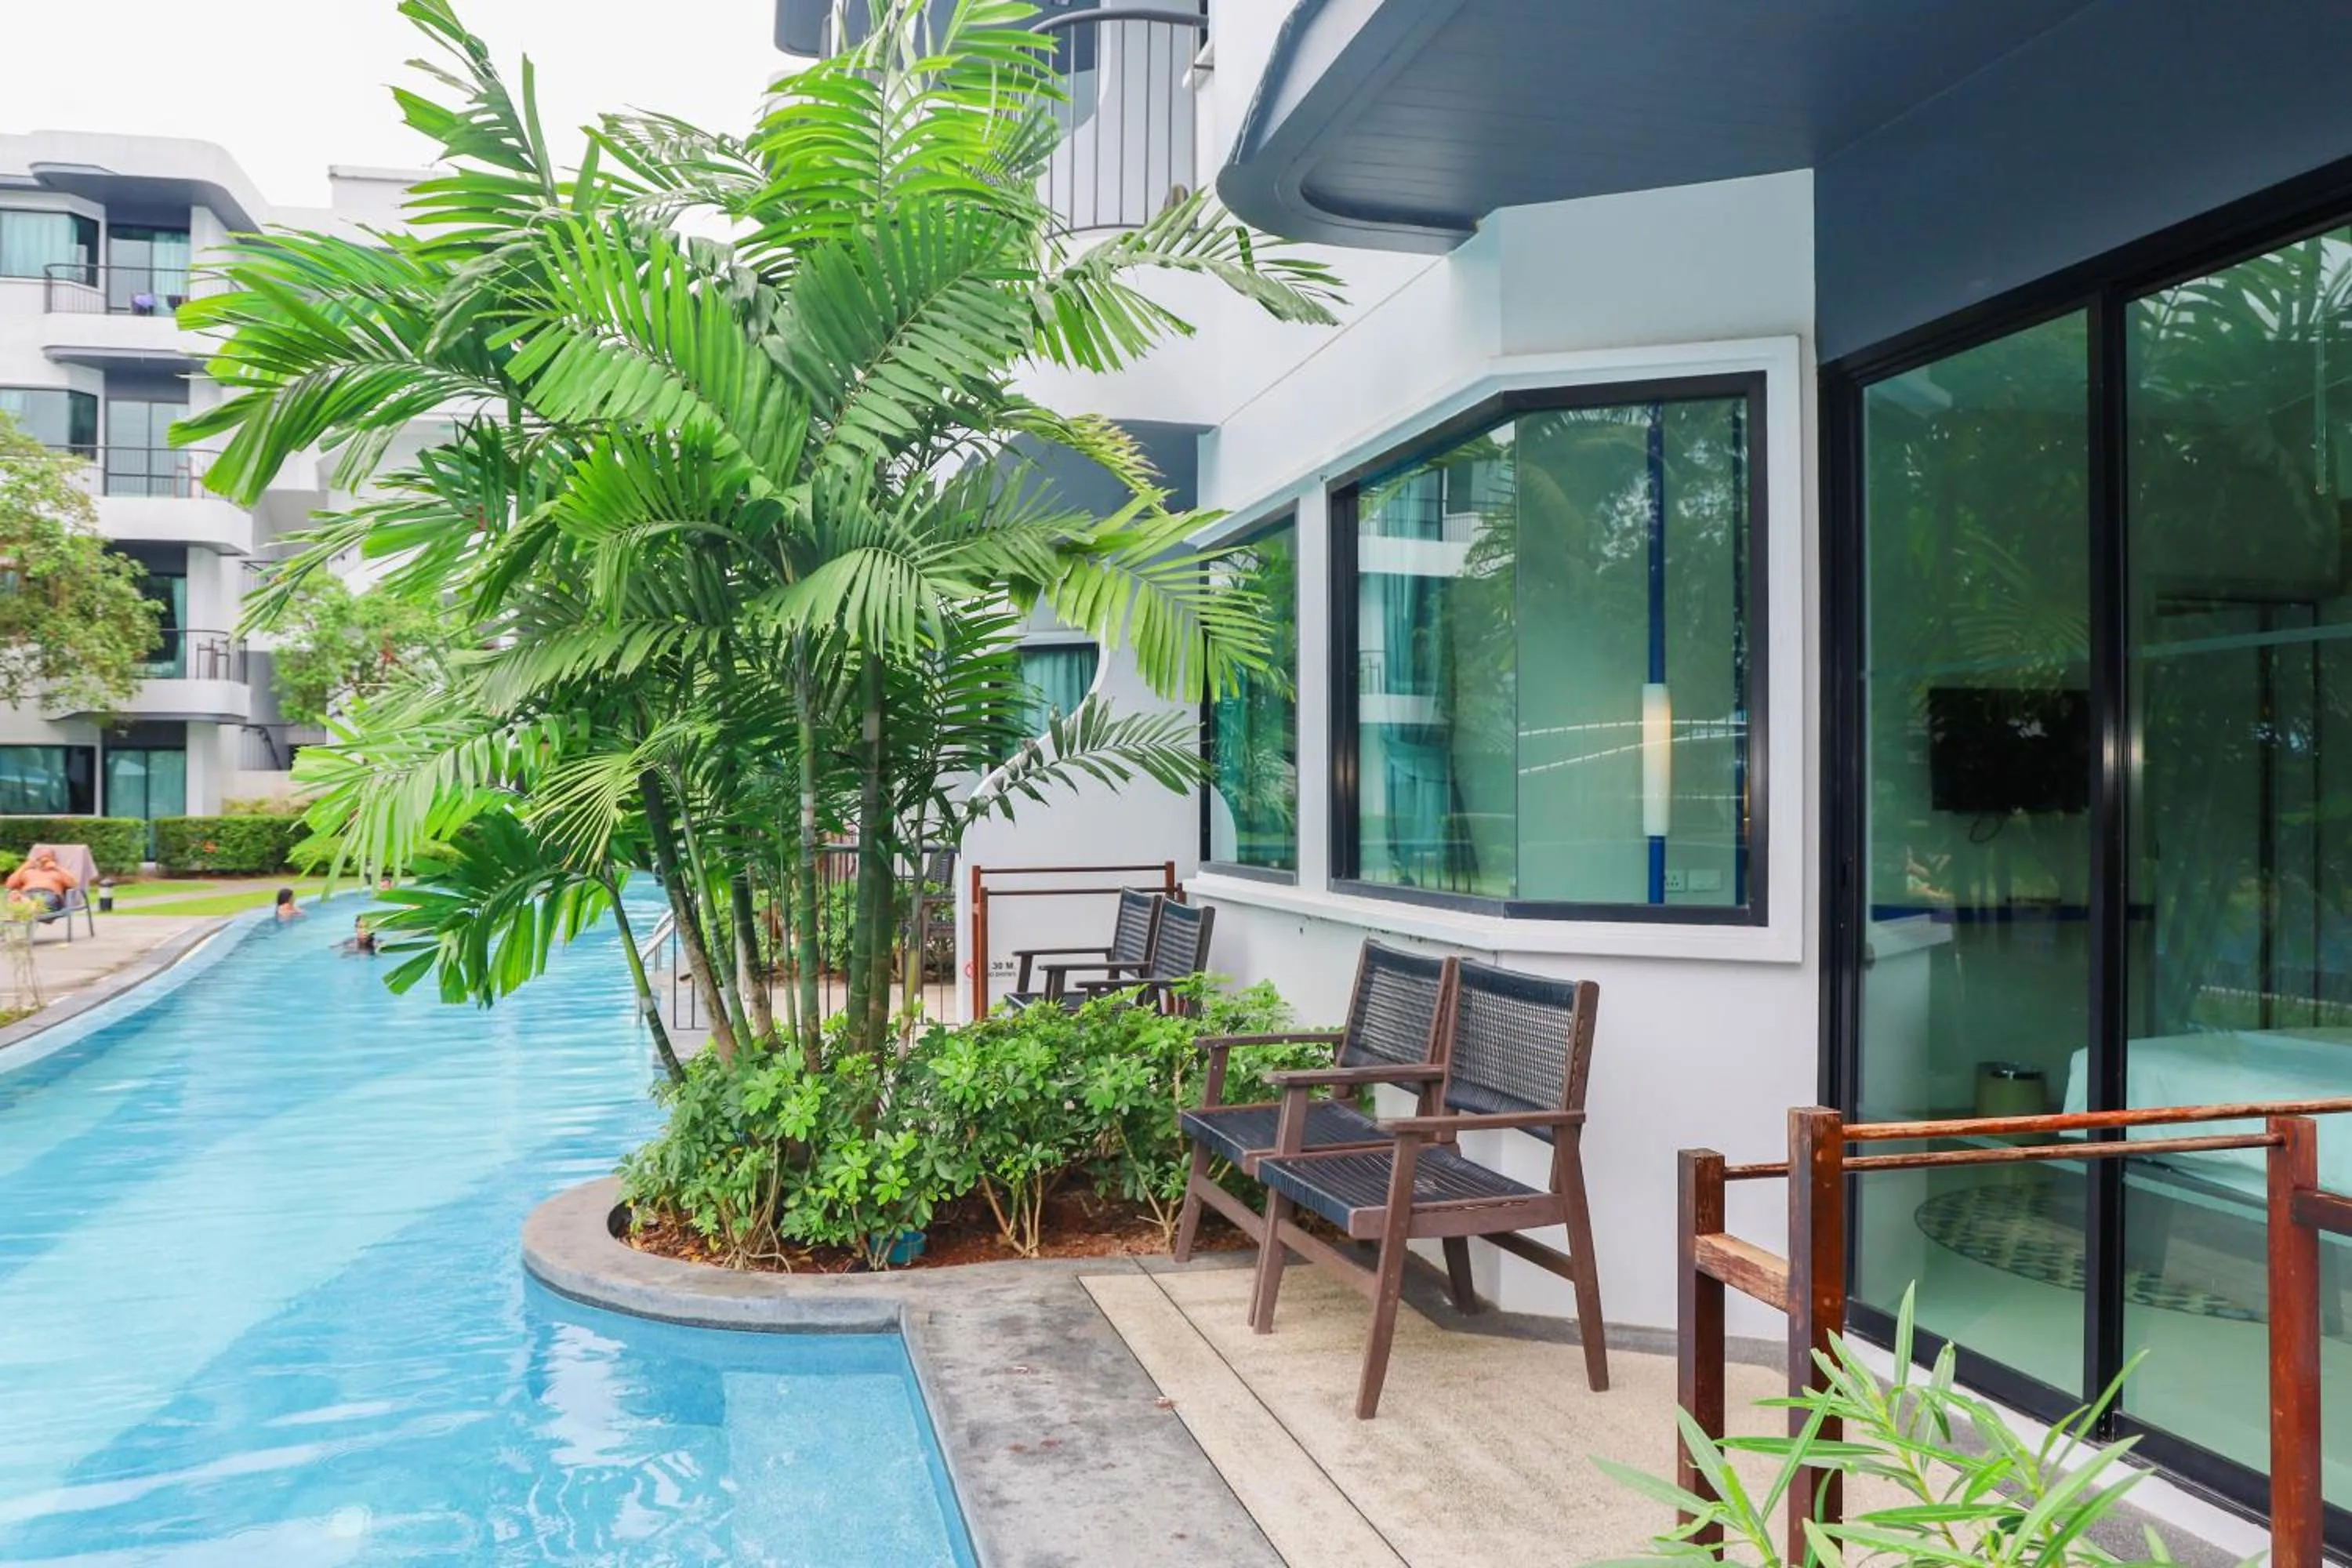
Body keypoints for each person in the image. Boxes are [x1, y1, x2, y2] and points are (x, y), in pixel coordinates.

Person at [6, 849, 78, 913]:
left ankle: (28, 905)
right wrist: (24, 867)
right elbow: (9, 885)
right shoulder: (28, 872)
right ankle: (29, 905)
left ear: (53, 859)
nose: (44, 859)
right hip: (28, 894)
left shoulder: (59, 872)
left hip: (49, 895)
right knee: (14, 895)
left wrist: (57, 867)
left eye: (47, 856)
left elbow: (73, 885)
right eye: (41, 856)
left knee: (42, 901)